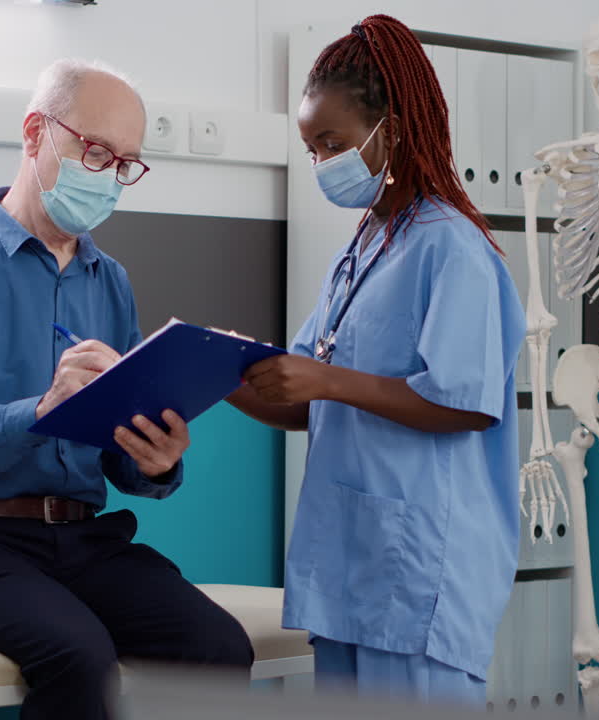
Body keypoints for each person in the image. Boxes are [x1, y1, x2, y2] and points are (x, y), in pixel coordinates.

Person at [0, 58, 253, 720]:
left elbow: (117, 452)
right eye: (97, 151)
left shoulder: (110, 280)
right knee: (79, 658)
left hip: (82, 542)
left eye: (126, 163)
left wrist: (155, 461)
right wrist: (40, 412)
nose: (108, 175)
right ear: (34, 134)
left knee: (218, 648)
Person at [227, 15, 525, 708]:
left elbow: (464, 404)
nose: (321, 162)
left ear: (390, 128)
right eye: (309, 148)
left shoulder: (453, 250)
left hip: (419, 575)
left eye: (330, 143)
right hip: (349, 574)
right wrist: (219, 377)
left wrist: (326, 379)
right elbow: (307, 401)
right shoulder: (363, 250)